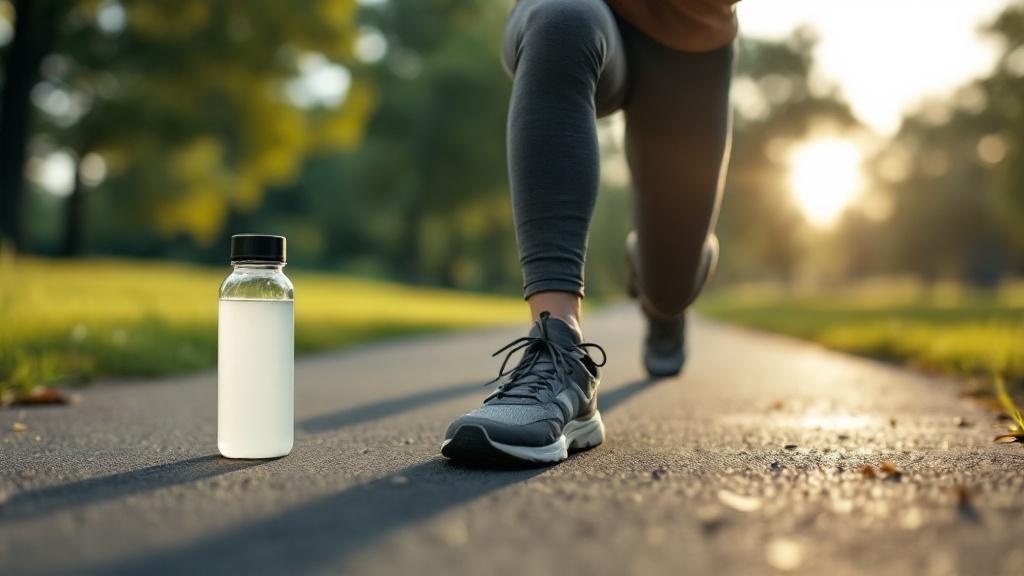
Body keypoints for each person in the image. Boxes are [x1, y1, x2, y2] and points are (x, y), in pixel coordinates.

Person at [441, 0, 738, 465]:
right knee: (562, 18)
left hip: (689, 39)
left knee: (671, 284)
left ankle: (657, 287)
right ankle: (558, 346)